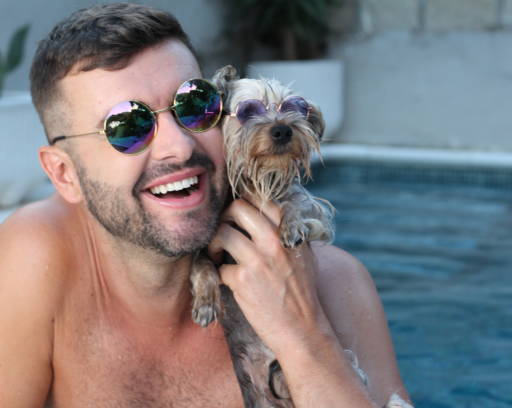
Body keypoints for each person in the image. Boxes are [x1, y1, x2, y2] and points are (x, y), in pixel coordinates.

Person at [0, 3, 410, 407]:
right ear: (64, 174)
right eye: (127, 126)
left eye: (193, 106)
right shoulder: (33, 263)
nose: (178, 146)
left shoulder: (336, 285)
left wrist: (305, 337)